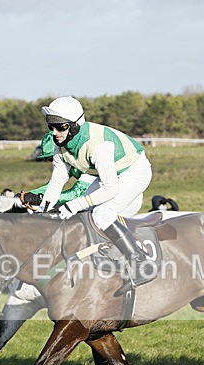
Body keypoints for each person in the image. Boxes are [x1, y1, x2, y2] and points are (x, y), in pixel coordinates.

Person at [35, 96, 155, 295]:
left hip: (134, 171)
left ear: (75, 125)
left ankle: (141, 263)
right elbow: (56, 183)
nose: (54, 133)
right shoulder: (60, 146)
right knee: (85, 215)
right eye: (51, 127)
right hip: (111, 175)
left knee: (101, 214)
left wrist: (73, 204)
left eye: (60, 127)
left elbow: (110, 189)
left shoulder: (98, 145)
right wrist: (41, 212)